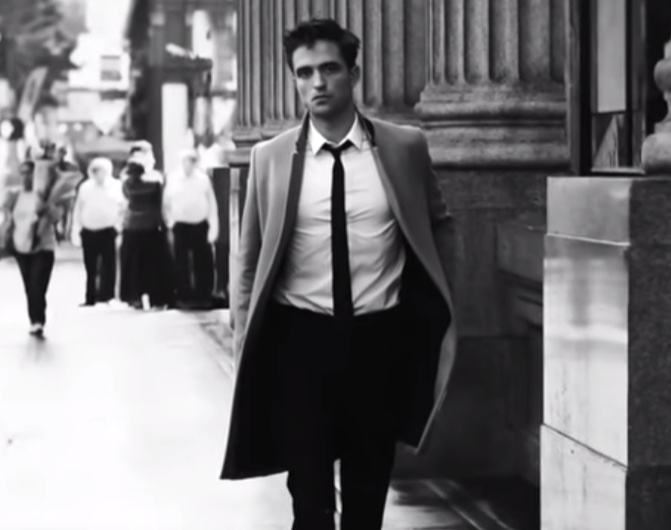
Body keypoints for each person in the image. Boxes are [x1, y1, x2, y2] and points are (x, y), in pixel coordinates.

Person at [219, 18, 458, 530]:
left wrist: (442, 306)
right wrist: (244, 345)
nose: (317, 83)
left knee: (368, 497)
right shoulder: (269, 158)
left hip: (379, 342)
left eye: (329, 69)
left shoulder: (404, 147)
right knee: (309, 501)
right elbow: (249, 262)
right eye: (304, 73)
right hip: (299, 344)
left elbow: (439, 225)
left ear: (353, 73)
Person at [0, 145, 81, 336]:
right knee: (29, 287)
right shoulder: (15, 195)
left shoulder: (47, 196)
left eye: (29, 173)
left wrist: (46, 207)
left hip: (42, 247)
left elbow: (57, 216)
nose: (26, 177)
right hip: (20, 247)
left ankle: (38, 321)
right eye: (23, 173)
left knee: (38, 285)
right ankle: (34, 319)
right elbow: (7, 218)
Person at [162, 149, 219, 309]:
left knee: (203, 261)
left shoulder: (203, 179)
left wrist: (213, 227)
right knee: (181, 262)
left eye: (191, 161)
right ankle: (183, 295)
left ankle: (203, 295)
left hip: (200, 225)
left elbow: (211, 203)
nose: (188, 165)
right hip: (181, 225)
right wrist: (170, 222)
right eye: (186, 161)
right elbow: (166, 203)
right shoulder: (173, 178)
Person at [71, 157, 124, 306]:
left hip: (108, 231)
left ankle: (109, 296)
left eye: (101, 171)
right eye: (95, 171)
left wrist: (118, 227)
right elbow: (78, 208)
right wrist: (76, 229)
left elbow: (123, 208)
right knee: (90, 266)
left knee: (109, 265)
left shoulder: (116, 186)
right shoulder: (85, 187)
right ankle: (90, 297)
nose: (98, 174)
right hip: (89, 231)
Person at [119, 160, 172, 310]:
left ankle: (135, 297)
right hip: (151, 228)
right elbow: (158, 206)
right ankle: (157, 298)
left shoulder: (127, 185)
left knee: (134, 267)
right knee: (154, 266)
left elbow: (126, 196)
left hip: (132, 229)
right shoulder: (154, 185)